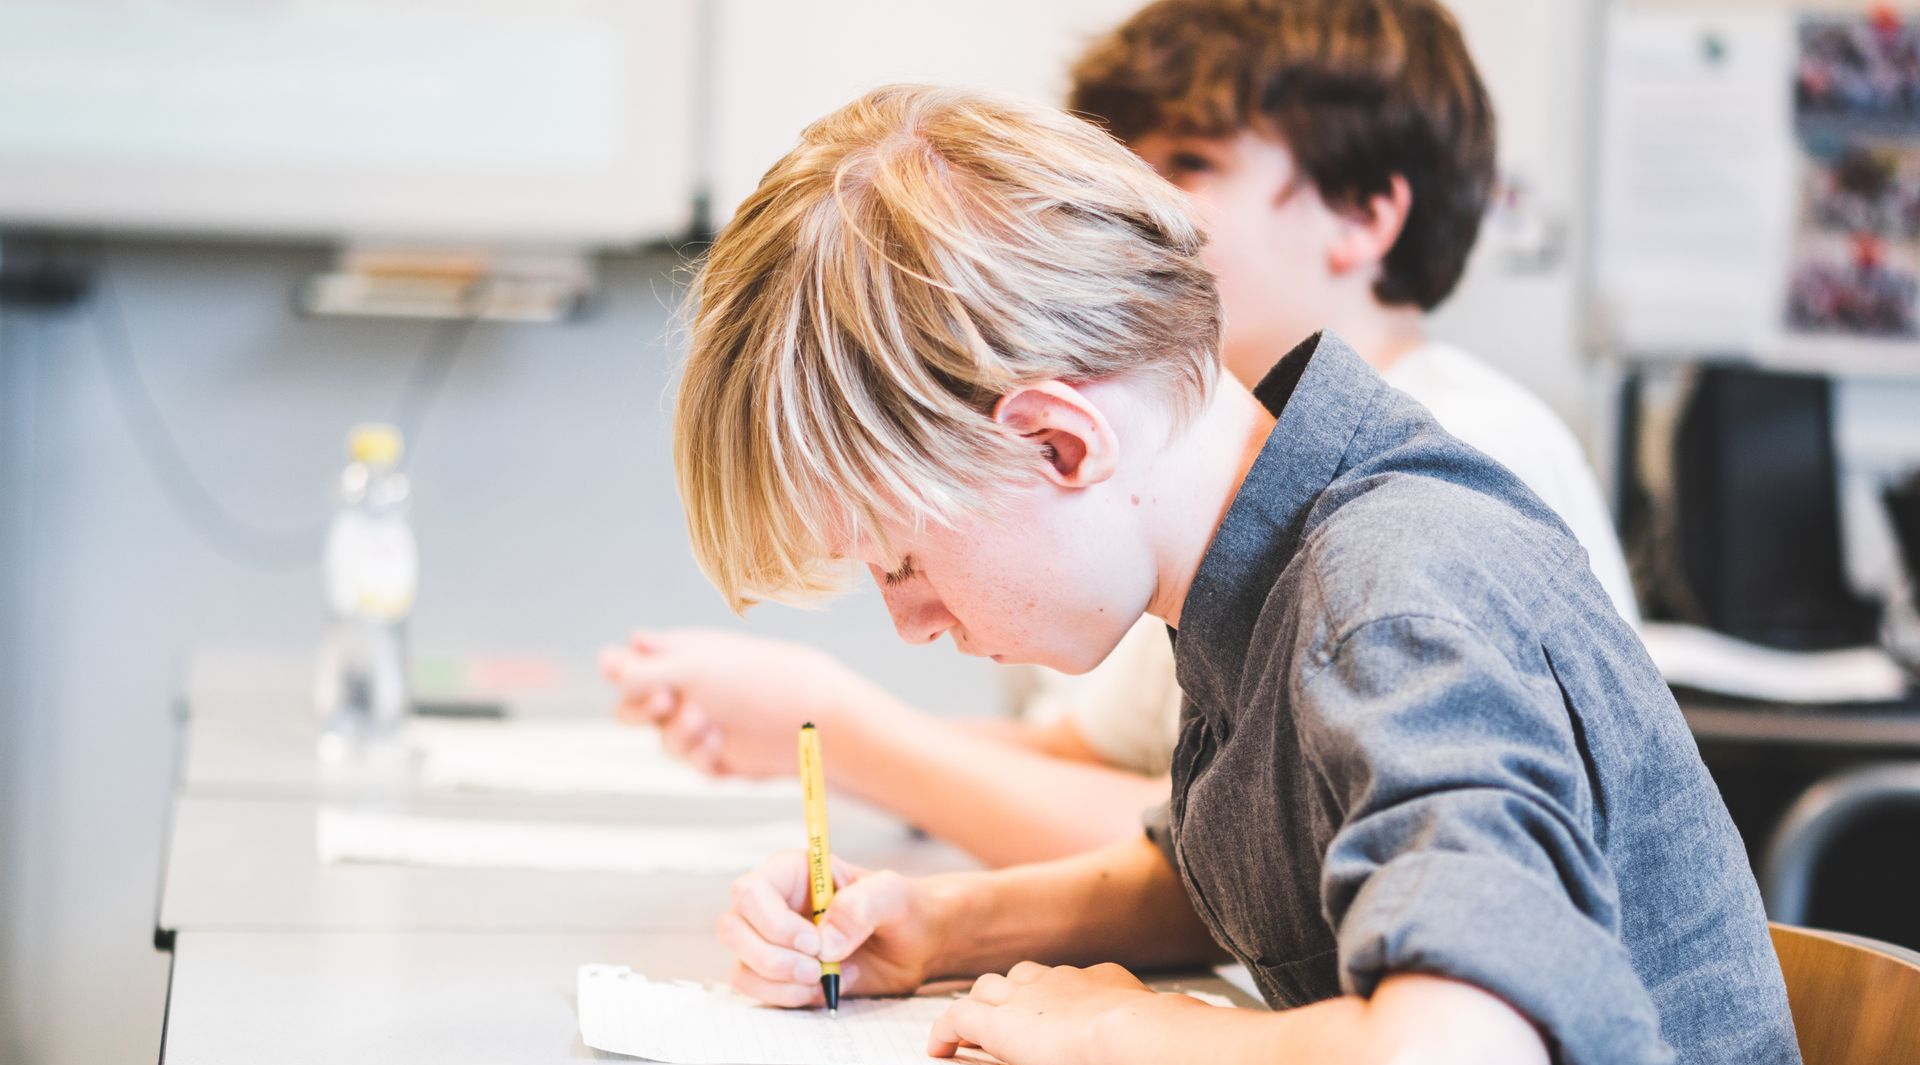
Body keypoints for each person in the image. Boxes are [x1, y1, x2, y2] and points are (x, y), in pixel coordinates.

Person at [677, 83, 1811, 1065]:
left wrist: (1122, 1030)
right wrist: (939, 927)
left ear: (1060, 441)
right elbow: (1243, 868)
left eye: (903, 561)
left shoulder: (1390, 594)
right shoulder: (1258, 566)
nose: (909, 621)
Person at [602, 0, 1637, 861]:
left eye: (1186, 163)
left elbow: (1203, 851)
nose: (1128, 210)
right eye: (1119, 162)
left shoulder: (1419, 504)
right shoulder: (1227, 494)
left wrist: (835, 729)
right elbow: (1175, 814)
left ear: (1363, 211)